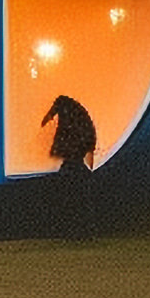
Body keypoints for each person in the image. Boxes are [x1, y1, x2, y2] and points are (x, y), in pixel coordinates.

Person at [42, 94, 96, 237]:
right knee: (79, 197)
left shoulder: (68, 116)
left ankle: (73, 229)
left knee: (70, 196)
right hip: (77, 164)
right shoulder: (80, 119)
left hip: (73, 165)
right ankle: (83, 230)